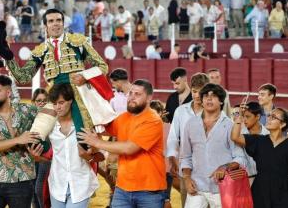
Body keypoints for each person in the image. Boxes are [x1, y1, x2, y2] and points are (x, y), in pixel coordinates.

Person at [0, 8, 112, 141]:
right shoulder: (41, 50)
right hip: (55, 96)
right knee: (35, 138)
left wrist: (85, 76)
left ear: (63, 23)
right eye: (51, 21)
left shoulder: (78, 42)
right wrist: (8, 57)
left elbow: (103, 66)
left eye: (58, 20)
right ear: (46, 26)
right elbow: (23, 77)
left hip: (78, 94)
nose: (55, 24)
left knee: (83, 139)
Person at [77, 79, 167, 207]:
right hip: (123, 187)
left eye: (137, 94)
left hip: (149, 190)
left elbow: (130, 148)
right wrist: (87, 90)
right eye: (130, 93)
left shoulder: (153, 120)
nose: (131, 97)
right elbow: (103, 128)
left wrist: (96, 142)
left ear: (149, 98)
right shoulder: (124, 117)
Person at [29, 84, 99, 208]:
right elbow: (51, 157)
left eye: (61, 102)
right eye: (54, 104)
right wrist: (37, 158)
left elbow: (101, 156)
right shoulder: (49, 126)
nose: (58, 107)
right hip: (57, 184)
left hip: (81, 184)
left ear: (70, 101)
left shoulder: (83, 124)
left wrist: (92, 151)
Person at [0, 75, 40, 207]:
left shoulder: (27, 110)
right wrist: (18, 140)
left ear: (8, 92)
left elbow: (51, 115)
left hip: (22, 179)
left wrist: (41, 149)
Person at [180, 83, 246, 208]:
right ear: (202, 100)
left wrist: (224, 168)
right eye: (206, 96)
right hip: (196, 186)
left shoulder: (230, 126)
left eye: (214, 96)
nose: (209, 99)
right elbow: (185, 156)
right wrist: (187, 178)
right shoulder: (190, 124)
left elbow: (240, 158)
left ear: (221, 101)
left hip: (222, 188)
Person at [230, 106, 288, 208]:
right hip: (260, 191)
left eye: (273, 117)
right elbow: (235, 137)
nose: (268, 119)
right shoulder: (258, 140)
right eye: (269, 116)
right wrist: (238, 118)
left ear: (282, 124)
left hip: (283, 193)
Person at [166, 73, 209, 208]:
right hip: (187, 167)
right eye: (194, 91)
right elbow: (173, 136)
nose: (197, 95)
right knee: (187, 201)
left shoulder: (214, 111)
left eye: (201, 92)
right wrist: (172, 158)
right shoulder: (181, 111)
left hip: (209, 168)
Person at [231, 102, 269, 185]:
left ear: (258, 116)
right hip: (243, 181)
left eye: (247, 116)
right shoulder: (239, 133)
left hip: (265, 181)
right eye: (243, 116)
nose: (244, 120)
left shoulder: (268, 134)